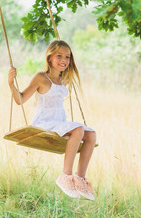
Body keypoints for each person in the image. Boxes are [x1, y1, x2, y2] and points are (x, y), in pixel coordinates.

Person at [8, 40, 96, 201]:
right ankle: (65, 175)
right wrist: (10, 83)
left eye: (67, 57)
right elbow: (20, 99)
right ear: (49, 58)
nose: (64, 60)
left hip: (59, 121)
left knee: (91, 134)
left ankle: (79, 178)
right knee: (78, 130)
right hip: (44, 122)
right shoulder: (41, 77)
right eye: (59, 56)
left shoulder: (64, 79)